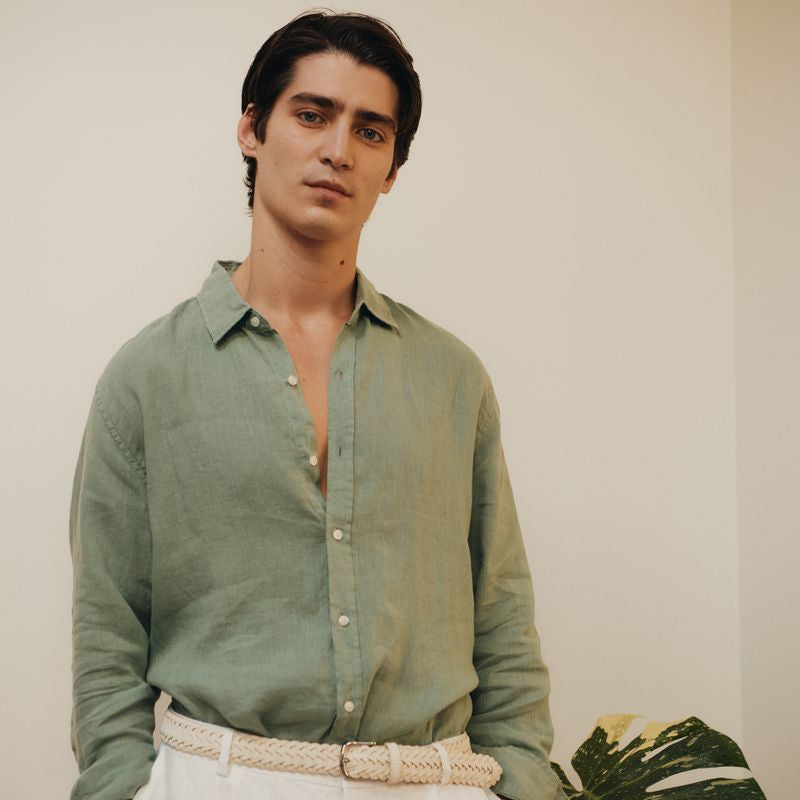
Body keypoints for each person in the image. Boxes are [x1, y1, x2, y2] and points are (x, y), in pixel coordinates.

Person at [69, 9, 565, 800]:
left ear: (392, 168)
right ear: (252, 129)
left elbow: (502, 614)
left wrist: (523, 784)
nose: (338, 149)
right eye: (312, 115)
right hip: (216, 779)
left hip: (434, 780)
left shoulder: (451, 377)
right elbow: (107, 632)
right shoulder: (146, 377)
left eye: (372, 132)